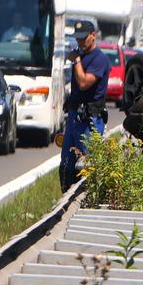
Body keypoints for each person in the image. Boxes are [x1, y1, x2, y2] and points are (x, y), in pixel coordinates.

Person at [60, 23, 111, 190]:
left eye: (83, 38)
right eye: (77, 38)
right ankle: (65, 197)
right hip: (75, 115)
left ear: (93, 35)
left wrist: (76, 61)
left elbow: (83, 83)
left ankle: (83, 199)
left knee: (85, 166)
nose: (80, 42)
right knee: (66, 165)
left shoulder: (99, 59)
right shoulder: (79, 56)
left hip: (90, 119)